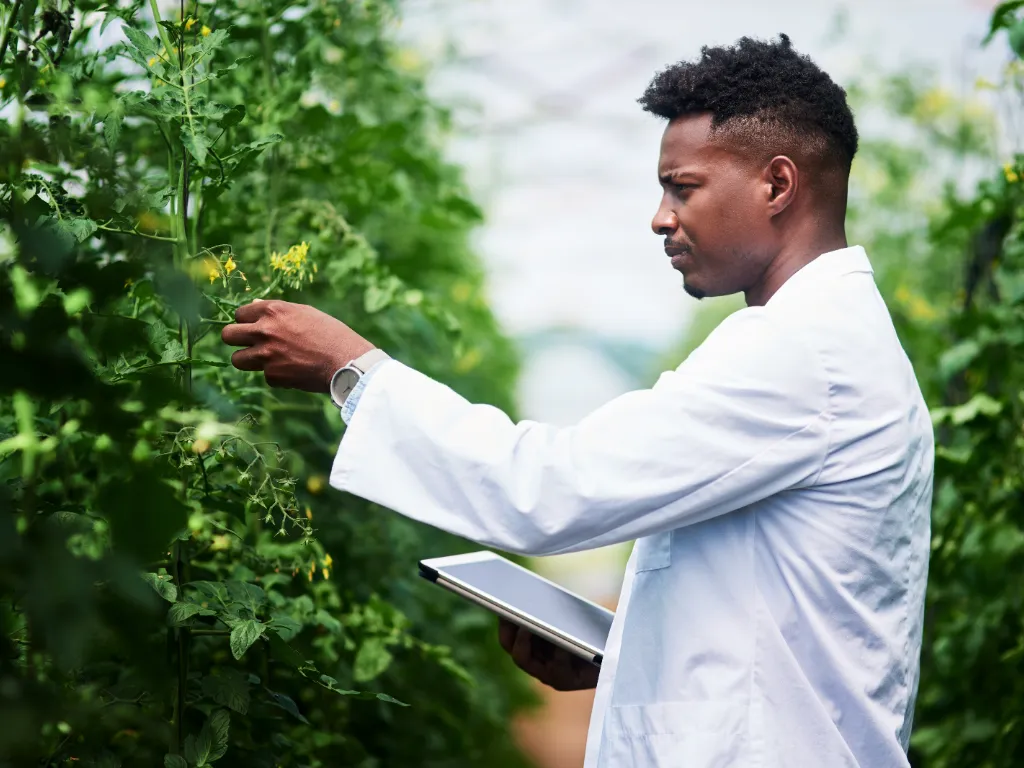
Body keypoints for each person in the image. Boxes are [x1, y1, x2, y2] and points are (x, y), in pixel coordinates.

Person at [221, 34, 934, 768]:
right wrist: (615, 655)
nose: (661, 217)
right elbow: (776, 624)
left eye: (682, 187)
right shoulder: (828, 341)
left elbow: (553, 486)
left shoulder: (800, 351)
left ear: (777, 185)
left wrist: (352, 371)